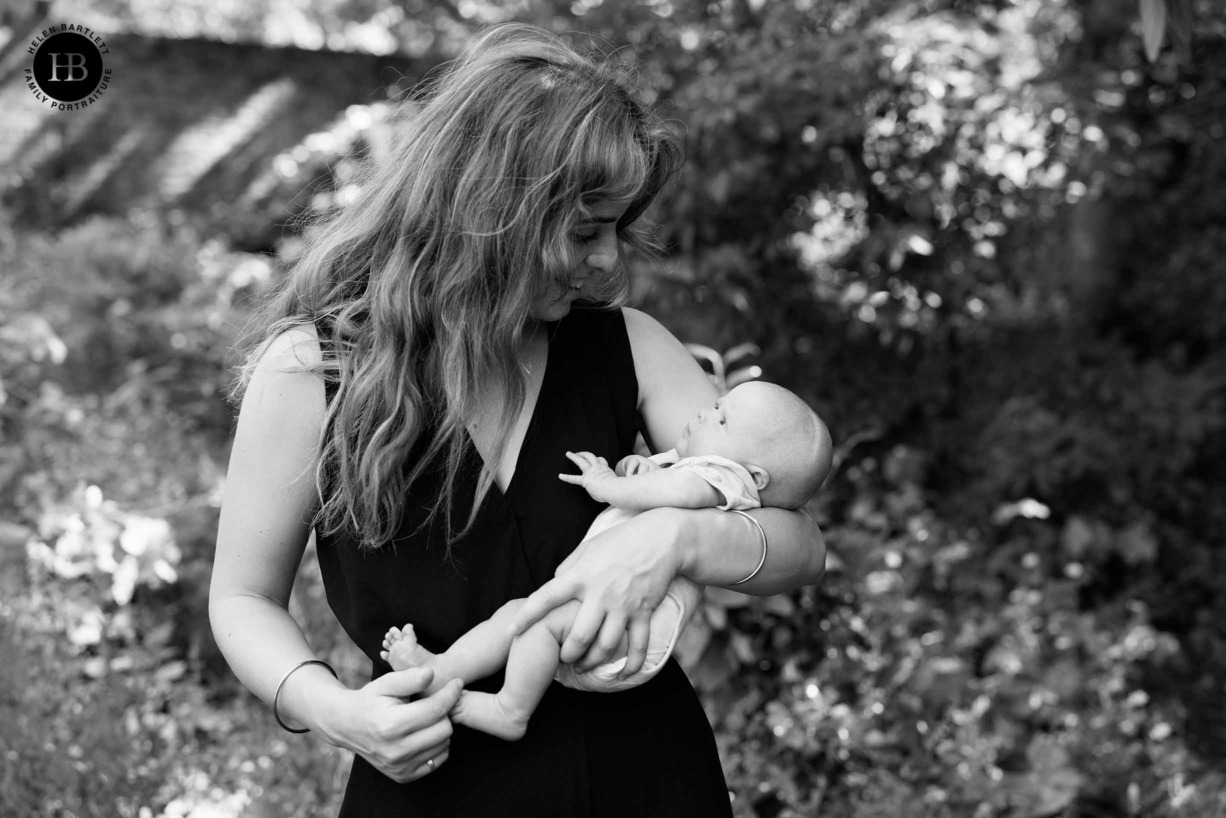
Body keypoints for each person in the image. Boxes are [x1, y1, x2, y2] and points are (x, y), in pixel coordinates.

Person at [209, 22, 827, 818]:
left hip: (645, 783)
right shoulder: (311, 372)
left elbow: (800, 544)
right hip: (429, 788)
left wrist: (677, 536)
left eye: (616, 229)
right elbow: (243, 599)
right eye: (582, 232)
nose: (610, 264)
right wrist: (337, 712)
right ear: (487, 216)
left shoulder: (626, 348)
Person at [379, 381, 832, 741]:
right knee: (518, 617)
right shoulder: (704, 470)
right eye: (717, 403)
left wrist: (606, 483)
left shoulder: (721, 476)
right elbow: (667, 487)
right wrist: (643, 469)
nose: (706, 411)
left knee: (532, 622)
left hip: (625, 637)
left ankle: (509, 710)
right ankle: (441, 670)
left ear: (754, 476)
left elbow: (678, 493)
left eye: (722, 417)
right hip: (613, 632)